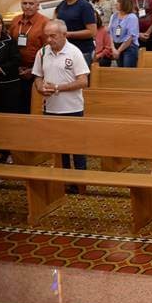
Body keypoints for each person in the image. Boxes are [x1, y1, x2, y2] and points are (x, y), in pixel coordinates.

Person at [32, 19, 91, 184]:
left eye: (53, 36)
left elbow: (83, 81)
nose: (49, 40)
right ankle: (63, 180)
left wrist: (58, 88)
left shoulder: (74, 52)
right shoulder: (42, 53)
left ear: (64, 35)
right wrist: (40, 87)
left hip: (72, 108)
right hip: (50, 108)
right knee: (58, 148)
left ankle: (80, 181)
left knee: (76, 147)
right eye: (47, 36)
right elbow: (38, 77)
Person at [8, 0, 48, 113]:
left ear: (37, 5)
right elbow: (9, 45)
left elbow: (48, 50)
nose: (28, 6)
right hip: (16, 70)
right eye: (25, 3)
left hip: (36, 72)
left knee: (32, 106)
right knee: (16, 105)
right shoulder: (15, 21)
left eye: (31, 3)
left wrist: (33, 70)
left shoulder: (45, 22)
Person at [54, 0, 97, 65]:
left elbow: (92, 32)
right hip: (65, 50)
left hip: (82, 51)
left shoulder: (85, 6)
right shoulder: (62, 4)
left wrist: (69, 34)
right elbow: (55, 21)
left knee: (83, 78)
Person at [109, 0, 140, 68]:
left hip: (128, 47)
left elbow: (130, 37)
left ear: (125, 3)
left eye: (119, 2)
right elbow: (110, 33)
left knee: (127, 71)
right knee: (120, 70)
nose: (116, 3)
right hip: (116, 45)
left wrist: (118, 51)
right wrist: (113, 48)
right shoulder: (114, 16)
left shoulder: (132, 17)